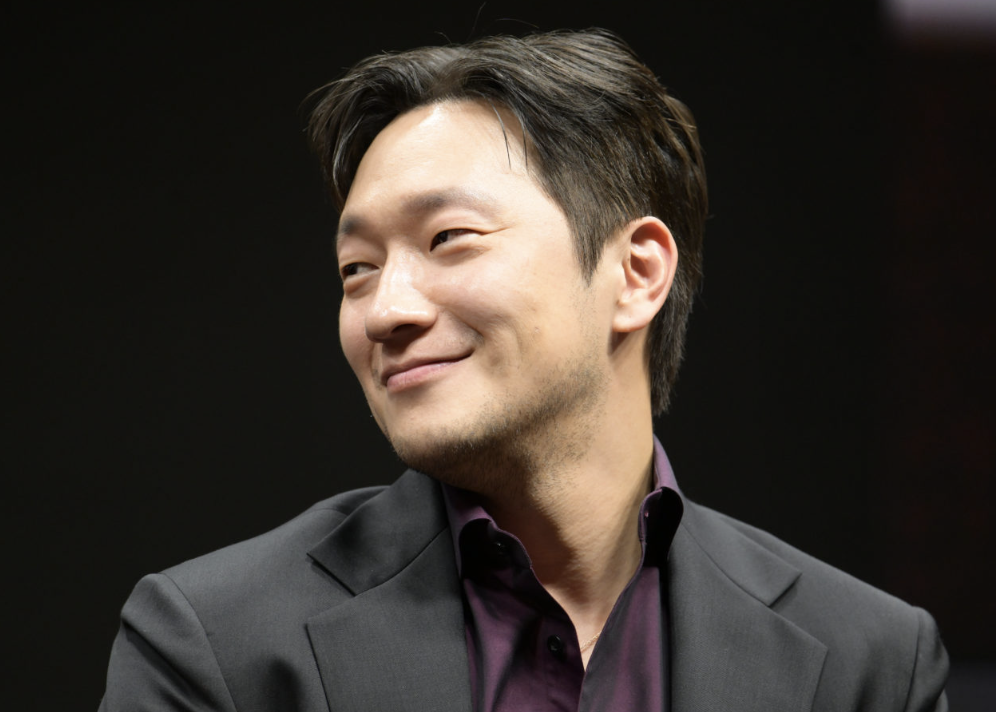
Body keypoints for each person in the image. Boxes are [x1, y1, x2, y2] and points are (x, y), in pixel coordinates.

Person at [99, 28, 949, 711]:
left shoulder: (870, 661)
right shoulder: (215, 643)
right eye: (356, 269)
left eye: (448, 239)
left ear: (636, 273)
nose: (385, 311)